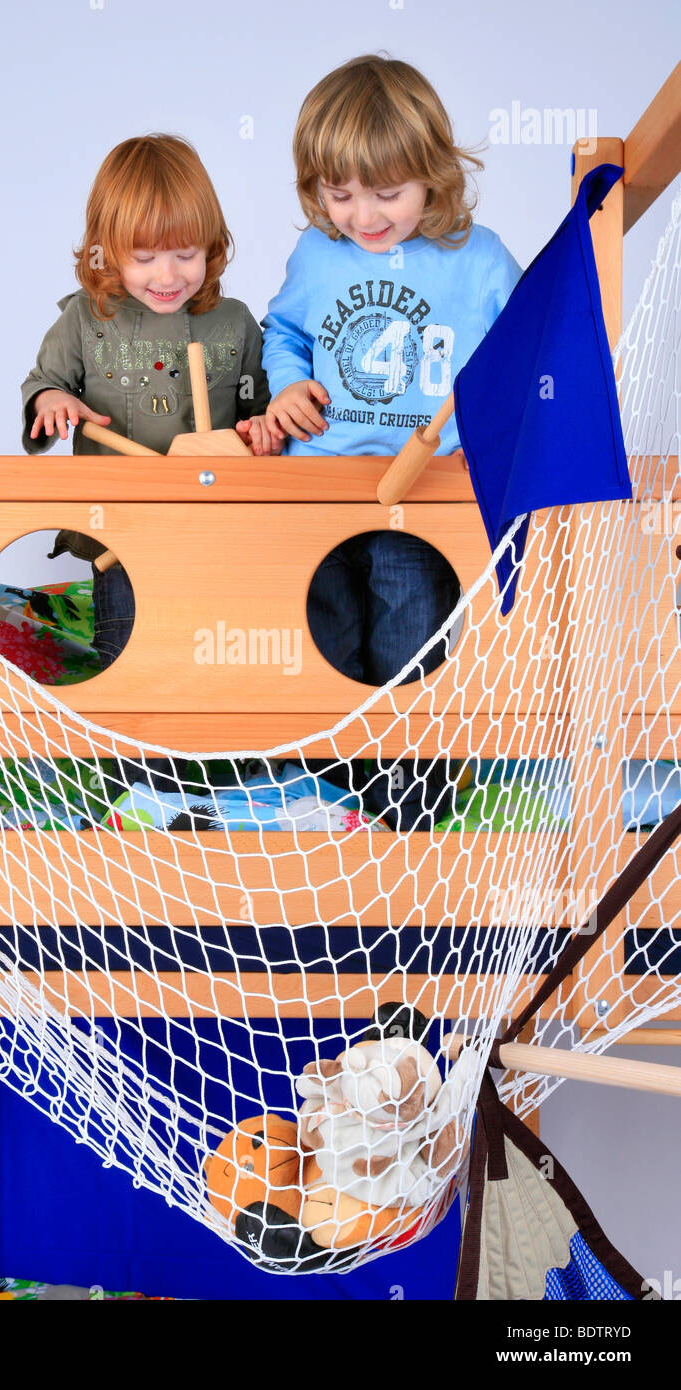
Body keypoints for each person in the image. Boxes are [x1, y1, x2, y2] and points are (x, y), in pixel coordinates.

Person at [262, 54, 522, 829]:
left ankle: (413, 795)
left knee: (410, 625)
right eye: (340, 195)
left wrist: (493, 429)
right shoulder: (317, 255)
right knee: (321, 625)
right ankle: (322, 792)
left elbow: (519, 353)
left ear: (433, 176)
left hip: (418, 487)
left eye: (388, 193)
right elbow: (283, 332)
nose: (364, 216)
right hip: (316, 485)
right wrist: (285, 384)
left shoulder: (476, 259)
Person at [21, 132, 277, 672]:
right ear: (107, 250)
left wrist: (262, 432)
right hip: (121, 529)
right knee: (130, 658)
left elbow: (259, 404)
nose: (168, 275)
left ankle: (229, 754)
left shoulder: (236, 324)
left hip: (218, 530)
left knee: (221, 652)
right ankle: (141, 760)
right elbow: (45, 382)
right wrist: (51, 402)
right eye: (144, 257)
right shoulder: (86, 320)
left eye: (186, 254)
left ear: (211, 246)